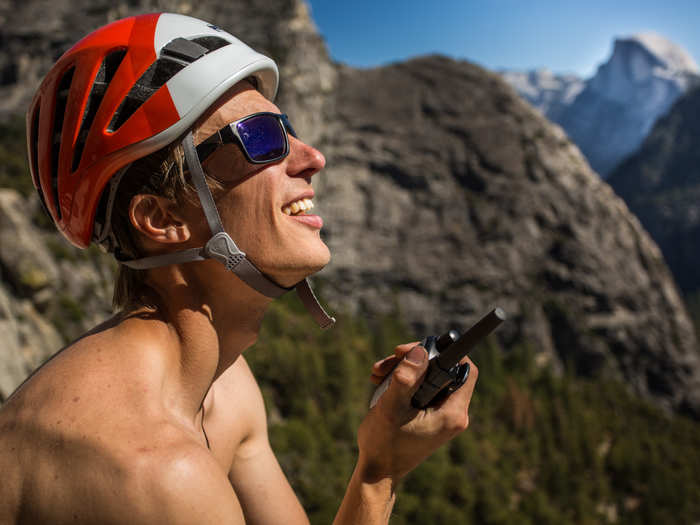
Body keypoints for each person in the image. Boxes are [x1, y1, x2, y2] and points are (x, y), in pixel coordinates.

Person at [0, 13, 478, 524]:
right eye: (261, 137)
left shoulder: (223, 387)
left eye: (289, 130)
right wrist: (381, 476)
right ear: (162, 219)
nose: (313, 157)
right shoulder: (153, 475)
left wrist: (378, 463)